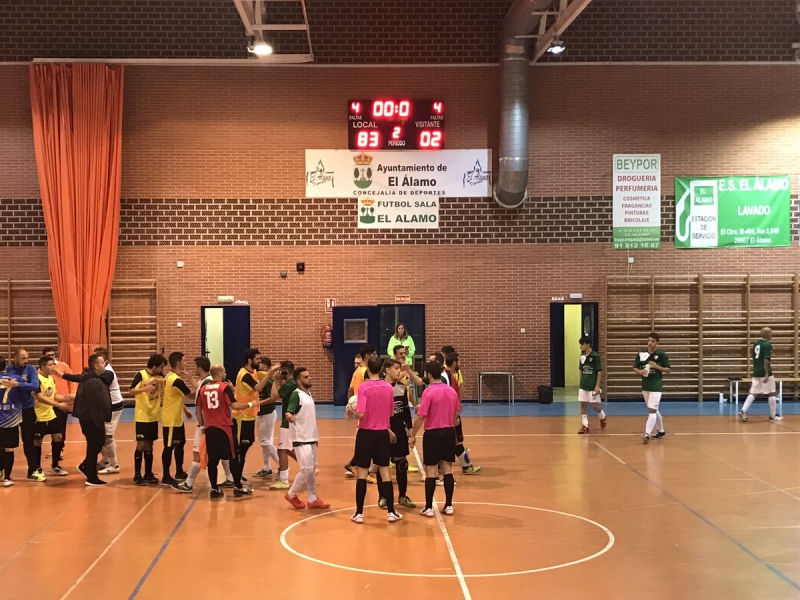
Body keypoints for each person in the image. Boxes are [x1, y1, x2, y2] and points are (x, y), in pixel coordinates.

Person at [351, 356, 403, 525]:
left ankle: (359, 513)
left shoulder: (364, 388)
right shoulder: (388, 388)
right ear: (381, 369)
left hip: (365, 434)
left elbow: (360, 413)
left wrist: (351, 410)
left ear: (368, 369)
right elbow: (391, 413)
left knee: (362, 473)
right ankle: (391, 512)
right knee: (385, 472)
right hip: (382, 434)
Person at [173, 357, 236, 493]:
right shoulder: (205, 382)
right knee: (223, 453)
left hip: (207, 424)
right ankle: (231, 478)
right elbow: (197, 390)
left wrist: (202, 426)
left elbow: (199, 402)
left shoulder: (208, 383)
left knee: (199, 454)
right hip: (212, 424)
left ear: (200, 368)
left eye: (195, 367)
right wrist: (190, 378)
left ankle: (189, 483)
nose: (194, 369)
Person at [410, 360, 461, 517]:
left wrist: (412, 435)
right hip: (448, 432)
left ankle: (428, 507)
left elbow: (420, 416)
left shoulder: (428, 392)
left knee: (431, 470)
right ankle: (449, 505)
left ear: (428, 375)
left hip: (433, 434)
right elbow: (456, 416)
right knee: (447, 469)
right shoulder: (451, 391)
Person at [197, 364, 255, 499]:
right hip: (225, 428)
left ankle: (214, 489)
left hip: (210, 428)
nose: (225, 374)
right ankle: (237, 487)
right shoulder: (224, 387)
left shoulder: (203, 388)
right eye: (224, 371)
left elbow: (198, 410)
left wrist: (202, 427)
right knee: (233, 457)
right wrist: (251, 404)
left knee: (213, 460)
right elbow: (234, 405)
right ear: (219, 373)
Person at [284, 367, 329, 509]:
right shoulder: (296, 395)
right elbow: (289, 411)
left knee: (313, 468)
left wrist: (316, 437)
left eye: (309, 376)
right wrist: (289, 415)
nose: (309, 378)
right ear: (298, 381)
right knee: (307, 469)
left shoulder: (308, 394)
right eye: (306, 377)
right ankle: (291, 494)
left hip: (311, 437)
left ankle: (312, 498)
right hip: (301, 437)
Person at [377, 359, 416, 510]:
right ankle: (383, 497)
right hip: (384, 431)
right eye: (395, 368)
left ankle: (402, 495)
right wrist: (387, 429)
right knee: (383, 465)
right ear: (387, 370)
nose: (399, 371)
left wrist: (411, 431)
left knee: (402, 465)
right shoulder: (380, 388)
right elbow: (378, 413)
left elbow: (406, 411)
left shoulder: (402, 388)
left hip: (399, 431)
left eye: (399, 369)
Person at [72, 353, 112, 486]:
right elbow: (95, 405)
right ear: (96, 366)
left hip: (89, 419)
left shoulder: (92, 379)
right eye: (102, 363)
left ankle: (87, 467)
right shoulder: (93, 381)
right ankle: (91, 475)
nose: (104, 366)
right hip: (91, 420)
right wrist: (100, 422)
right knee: (95, 444)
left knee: (95, 445)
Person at [233, 348, 272, 480]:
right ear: (250, 360)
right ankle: (235, 477)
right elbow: (258, 387)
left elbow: (263, 375)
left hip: (249, 415)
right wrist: (270, 373)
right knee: (241, 447)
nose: (259, 362)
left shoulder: (253, 371)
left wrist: (275, 372)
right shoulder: (244, 375)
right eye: (257, 359)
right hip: (241, 415)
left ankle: (237, 475)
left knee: (248, 442)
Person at [3, 348, 42, 482]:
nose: (26, 361)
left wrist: (18, 384)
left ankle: (32, 470)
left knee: (29, 440)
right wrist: (24, 385)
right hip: (11, 411)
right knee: (5, 442)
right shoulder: (8, 370)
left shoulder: (30, 369)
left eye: (27, 358)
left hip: (27, 409)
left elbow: (35, 386)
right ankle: (3, 471)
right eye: (23, 358)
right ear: (15, 358)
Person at [129, 354, 167, 485]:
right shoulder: (141, 375)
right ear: (154, 366)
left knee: (150, 445)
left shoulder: (159, 377)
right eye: (161, 366)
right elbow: (131, 391)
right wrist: (144, 389)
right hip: (142, 415)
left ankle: (148, 473)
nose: (162, 369)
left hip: (153, 415)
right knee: (141, 444)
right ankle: (137, 474)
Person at [33, 356, 72, 477]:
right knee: (37, 442)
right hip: (38, 416)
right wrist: (58, 405)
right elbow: (39, 397)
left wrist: (69, 397)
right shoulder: (37, 379)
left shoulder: (51, 379)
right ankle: (36, 467)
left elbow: (54, 395)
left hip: (50, 415)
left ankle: (54, 466)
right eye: (50, 365)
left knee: (58, 437)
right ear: (43, 367)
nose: (52, 367)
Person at [161, 352, 195, 486]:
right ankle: (166, 475)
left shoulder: (170, 376)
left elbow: (176, 396)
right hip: (170, 420)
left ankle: (179, 471)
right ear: (178, 363)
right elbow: (191, 395)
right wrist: (202, 388)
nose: (185, 363)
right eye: (184, 361)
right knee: (169, 447)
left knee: (181, 443)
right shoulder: (175, 380)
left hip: (177, 417)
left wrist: (185, 409)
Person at [444, 352, 481, 475]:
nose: (459, 364)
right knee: (457, 441)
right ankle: (466, 466)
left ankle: (464, 465)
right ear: (454, 363)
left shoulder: (447, 374)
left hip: (449, 413)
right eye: (458, 361)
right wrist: (455, 413)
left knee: (453, 441)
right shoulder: (449, 376)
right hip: (451, 414)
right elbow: (451, 396)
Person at [344, 344, 377, 478]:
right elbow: (371, 390)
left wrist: (350, 405)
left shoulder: (356, 371)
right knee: (370, 441)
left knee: (364, 440)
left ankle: (356, 463)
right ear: (368, 356)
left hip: (360, 409)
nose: (375, 357)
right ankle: (364, 467)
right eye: (374, 355)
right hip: (367, 410)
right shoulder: (366, 371)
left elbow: (350, 390)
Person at [633, 332, 671, 443]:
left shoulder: (661, 354)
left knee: (652, 410)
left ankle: (647, 434)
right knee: (653, 409)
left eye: (653, 341)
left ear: (657, 343)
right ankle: (661, 430)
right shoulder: (641, 353)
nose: (650, 343)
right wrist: (640, 372)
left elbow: (668, 370)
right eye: (649, 340)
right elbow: (634, 367)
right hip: (645, 386)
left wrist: (657, 366)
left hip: (656, 386)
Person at [740, 327, 782, 422]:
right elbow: (766, 360)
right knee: (771, 393)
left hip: (756, 371)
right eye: (771, 333)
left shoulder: (756, 344)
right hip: (764, 372)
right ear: (767, 334)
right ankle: (773, 415)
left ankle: (743, 410)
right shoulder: (767, 345)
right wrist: (767, 373)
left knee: (753, 393)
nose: (772, 335)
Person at [41, 347, 76, 463]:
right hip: (47, 406)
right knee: (47, 432)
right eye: (48, 355)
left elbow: (71, 379)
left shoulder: (63, 366)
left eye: (53, 354)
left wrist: (71, 395)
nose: (51, 356)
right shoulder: (41, 373)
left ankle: (59, 450)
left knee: (60, 429)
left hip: (62, 402)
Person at [269, 360, 298, 490]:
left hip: (287, 422)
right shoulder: (292, 383)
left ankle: (284, 479)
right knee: (287, 448)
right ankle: (308, 465)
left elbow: (275, 396)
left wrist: (275, 381)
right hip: (292, 421)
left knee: (281, 450)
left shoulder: (290, 384)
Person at [253, 357, 281, 479]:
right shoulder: (258, 379)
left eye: (260, 364)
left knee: (266, 443)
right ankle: (266, 467)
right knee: (263, 442)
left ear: (265, 366)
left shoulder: (269, 381)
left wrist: (259, 403)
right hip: (259, 413)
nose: (258, 366)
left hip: (268, 413)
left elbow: (273, 397)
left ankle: (282, 465)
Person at [0, 357, 23, 486]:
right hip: (11, 418)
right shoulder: (15, 379)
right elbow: (26, 394)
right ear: (6, 366)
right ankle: (7, 477)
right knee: (9, 449)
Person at [577, 336, 607, 434]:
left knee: (593, 405)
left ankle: (602, 416)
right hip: (583, 385)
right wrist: (580, 382)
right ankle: (585, 426)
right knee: (583, 404)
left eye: (582, 344)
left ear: (588, 344)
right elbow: (581, 370)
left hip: (592, 385)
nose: (581, 346)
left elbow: (599, 371)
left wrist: (597, 385)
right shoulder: (581, 356)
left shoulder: (595, 356)